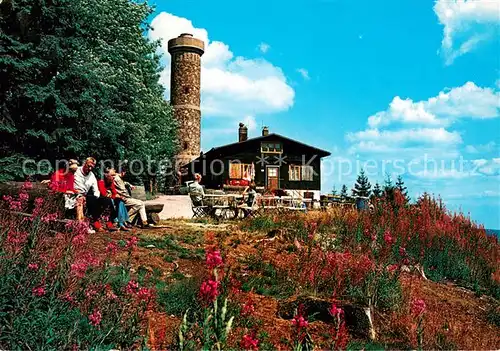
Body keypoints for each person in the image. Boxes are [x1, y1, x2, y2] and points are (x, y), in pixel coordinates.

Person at [74, 157, 117, 232]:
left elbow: (96, 190)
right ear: (85, 163)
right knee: (91, 199)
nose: (90, 168)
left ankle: (106, 222)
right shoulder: (76, 171)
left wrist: (98, 198)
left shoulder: (92, 176)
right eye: (88, 166)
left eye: (92, 167)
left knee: (106, 200)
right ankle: (93, 223)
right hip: (74, 194)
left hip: (86, 195)